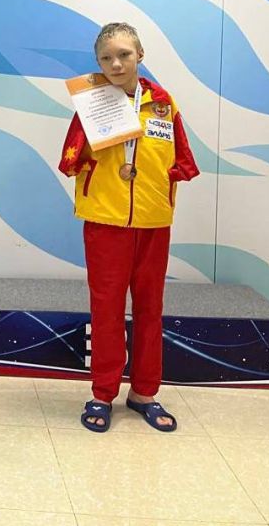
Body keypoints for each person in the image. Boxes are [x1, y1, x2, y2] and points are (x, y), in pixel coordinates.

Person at [59, 22, 199, 433]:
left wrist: (161, 181)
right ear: (98, 63)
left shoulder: (163, 103)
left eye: (124, 54)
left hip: (153, 220)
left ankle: (144, 393)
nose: (116, 64)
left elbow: (183, 158)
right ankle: (102, 394)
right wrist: (93, 142)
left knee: (151, 308)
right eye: (106, 58)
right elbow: (70, 160)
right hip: (105, 220)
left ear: (140, 55)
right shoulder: (91, 102)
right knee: (106, 309)